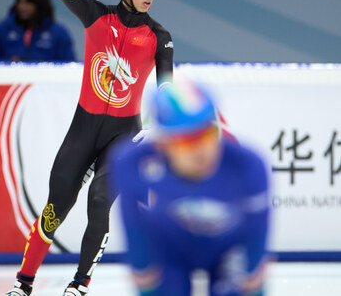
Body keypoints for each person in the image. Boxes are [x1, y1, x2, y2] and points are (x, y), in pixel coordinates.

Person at [6, 0, 174, 296]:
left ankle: (79, 284)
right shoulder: (97, 16)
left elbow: (166, 86)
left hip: (123, 134)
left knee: (99, 203)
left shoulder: (159, 35)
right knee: (54, 211)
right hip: (83, 129)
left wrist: (159, 123)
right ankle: (23, 283)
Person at [109, 80, 270, 296]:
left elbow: (257, 226)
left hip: (229, 250)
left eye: (206, 134)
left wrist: (252, 268)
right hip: (170, 250)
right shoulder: (132, 163)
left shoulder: (247, 165)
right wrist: (142, 267)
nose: (200, 150)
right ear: (162, 144)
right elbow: (132, 220)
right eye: (186, 141)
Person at [0, 0, 76, 62]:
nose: (21, 7)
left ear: (39, 5)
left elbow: (69, 66)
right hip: (9, 81)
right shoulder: (3, 29)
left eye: (27, 3)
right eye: (20, 2)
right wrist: (8, 63)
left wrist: (42, 66)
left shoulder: (59, 33)